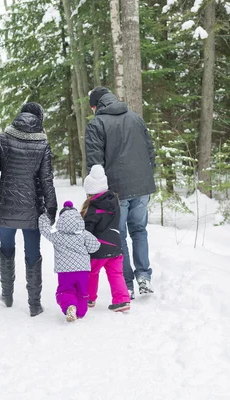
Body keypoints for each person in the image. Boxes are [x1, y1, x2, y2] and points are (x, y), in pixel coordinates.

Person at [0, 102, 57, 317]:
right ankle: (34, 304)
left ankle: (7, 296)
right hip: (32, 209)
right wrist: (51, 209)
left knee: (6, 250)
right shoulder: (42, 143)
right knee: (33, 254)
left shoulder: (5, 138)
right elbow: (47, 180)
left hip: (5, 207)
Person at [85, 86, 156, 299]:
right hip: (142, 187)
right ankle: (143, 276)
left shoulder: (96, 123)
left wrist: (97, 193)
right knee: (139, 231)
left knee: (120, 235)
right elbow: (150, 151)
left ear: (95, 106)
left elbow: (94, 162)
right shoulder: (135, 118)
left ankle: (127, 284)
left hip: (116, 189)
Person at [38, 201, 100, 322]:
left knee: (65, 291)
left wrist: (43, 215)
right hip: (83, 270)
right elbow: (95, 246)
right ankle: (81, 312)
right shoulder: (84, 234)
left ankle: (70, 306)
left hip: (65, 271)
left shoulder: (56, 235)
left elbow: (44, 229)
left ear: (61, 220)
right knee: (82, 292)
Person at [80, 164, 130, 312]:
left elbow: (87, 231)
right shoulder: (115, 202)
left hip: (98, 248)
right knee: (116, 273)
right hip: (115, 246)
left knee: (91, 272)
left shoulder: (92, 208)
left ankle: (89, 298)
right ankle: (122, 300)